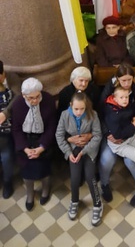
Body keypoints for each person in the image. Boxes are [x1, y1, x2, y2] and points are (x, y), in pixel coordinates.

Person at [99, 64, 135, 206]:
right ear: (117, 79)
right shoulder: (110, 88)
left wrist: (134, 124)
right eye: (123, 80)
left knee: (130, 160)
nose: (126, 84)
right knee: (106, 159)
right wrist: (108, 133)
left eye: (129, 80)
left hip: (134, 128)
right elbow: (100, 114)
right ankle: (104, 184)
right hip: (112, 131)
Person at [55, 92, 103, 225]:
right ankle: (74, 201)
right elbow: (59, 136)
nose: (79, 112)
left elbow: (98, 135)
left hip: (89, 149)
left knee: (90, 177)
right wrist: (68, 152)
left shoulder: (93, 115)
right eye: (76, 109)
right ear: (71, 105)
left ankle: (97, 204)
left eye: (82, 109)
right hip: (73, 149)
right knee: (75, 178)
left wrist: (84, 151)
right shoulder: (64, 115)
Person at [11, 78, 56, 210]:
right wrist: (25, 148)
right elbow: (16, 129)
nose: (35, 101)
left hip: (43, 138)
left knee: (44, 167)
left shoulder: (48, 100)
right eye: (31, 98)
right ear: (24, 95)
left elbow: (51, 126)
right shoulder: (18, 104)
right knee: (26, 169)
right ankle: (30, 193)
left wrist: (42, 147)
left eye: (37, 96)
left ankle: (45, 189)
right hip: (26, 139)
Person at [0, 60, 17, 198]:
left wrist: (4, 113)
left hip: (6, 131)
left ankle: (7, 182)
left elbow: (17, 97)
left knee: (7, 157)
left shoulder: (10, 84)